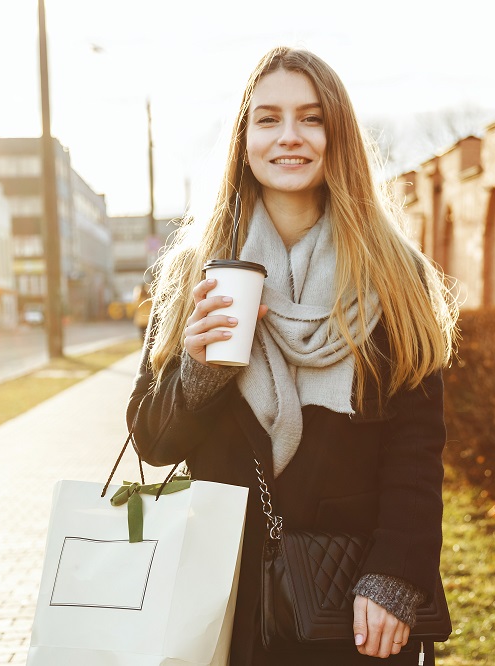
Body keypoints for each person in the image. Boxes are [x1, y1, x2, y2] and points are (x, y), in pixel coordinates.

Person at [127, 46, 458, 665]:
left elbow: (418, 450)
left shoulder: (396, 276)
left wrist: (395, 575)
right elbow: (152, 440)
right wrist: (199, 374)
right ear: (243, 139)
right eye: (268, 118)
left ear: (338, 137)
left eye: (311, 118)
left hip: (352, 603)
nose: (290, 137)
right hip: (224, 598)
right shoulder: (193, 272)